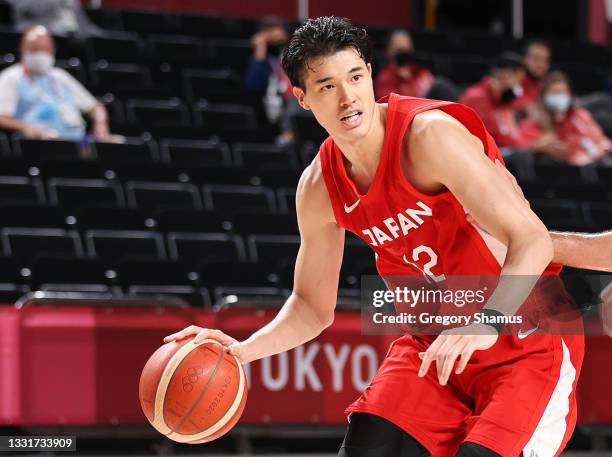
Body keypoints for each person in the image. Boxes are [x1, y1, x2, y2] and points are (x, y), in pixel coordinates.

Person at [165, 17, 612, 457]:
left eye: (355, 77)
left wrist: (486, 321)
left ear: (371, 75)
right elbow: (310, 307)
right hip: (431, 349)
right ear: (300, 98)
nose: (347, 98)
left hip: (523, 340)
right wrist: (242, 351)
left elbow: (532, 239)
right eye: (326, 86)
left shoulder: (429, 137)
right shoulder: (319, 188)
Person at [0, 25, 110, 141]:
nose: (41, 55)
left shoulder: (60, 76)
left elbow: (95, 107)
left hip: (77, 142)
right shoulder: (11, 77)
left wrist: (100, 124)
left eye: (45, 50)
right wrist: (26, 128)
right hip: (39, 144)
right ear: (23, 49)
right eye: (35, 49)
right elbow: (2, 118)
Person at [520, 71, 612, 165]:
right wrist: (539, 147)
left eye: (563, 92)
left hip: (590, 165)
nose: (559, 97)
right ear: (544, 96)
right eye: (555, 93)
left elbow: (602, 140)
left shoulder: (580, 116)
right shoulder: (534, 121)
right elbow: (522, 147)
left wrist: (598, 151)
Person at [374, 29, 434, 99]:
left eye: (405, 48)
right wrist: (405, 81)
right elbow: (389, 104)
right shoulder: (384, 78)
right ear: (388, 51)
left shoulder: (421, 73)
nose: (402, 53)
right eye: (398, 49)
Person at [516, 40, 552, 108]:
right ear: (523, 59)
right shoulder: (513, 84)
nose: (541, 64)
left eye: (545, 60)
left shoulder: (549, 86)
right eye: (536, 59)